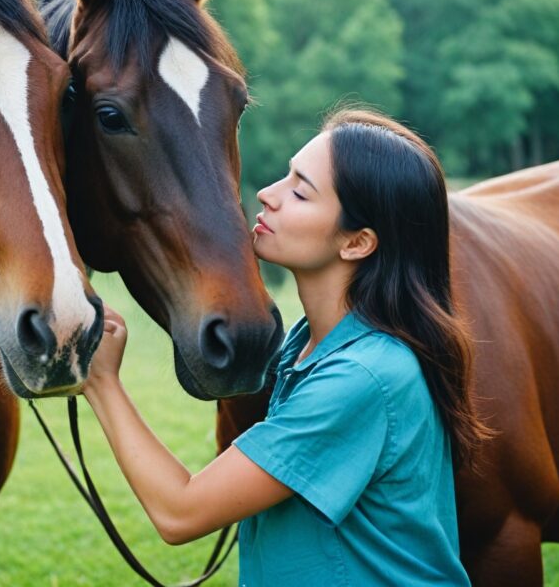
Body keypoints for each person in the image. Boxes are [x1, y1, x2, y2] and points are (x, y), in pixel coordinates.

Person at [82, 108, 490, 585]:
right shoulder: (309, 346)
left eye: (300, 191)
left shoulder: (363, 377)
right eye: (286, 176)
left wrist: (102, 381)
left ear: (357, 242)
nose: (266, 195)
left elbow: (180, 512)